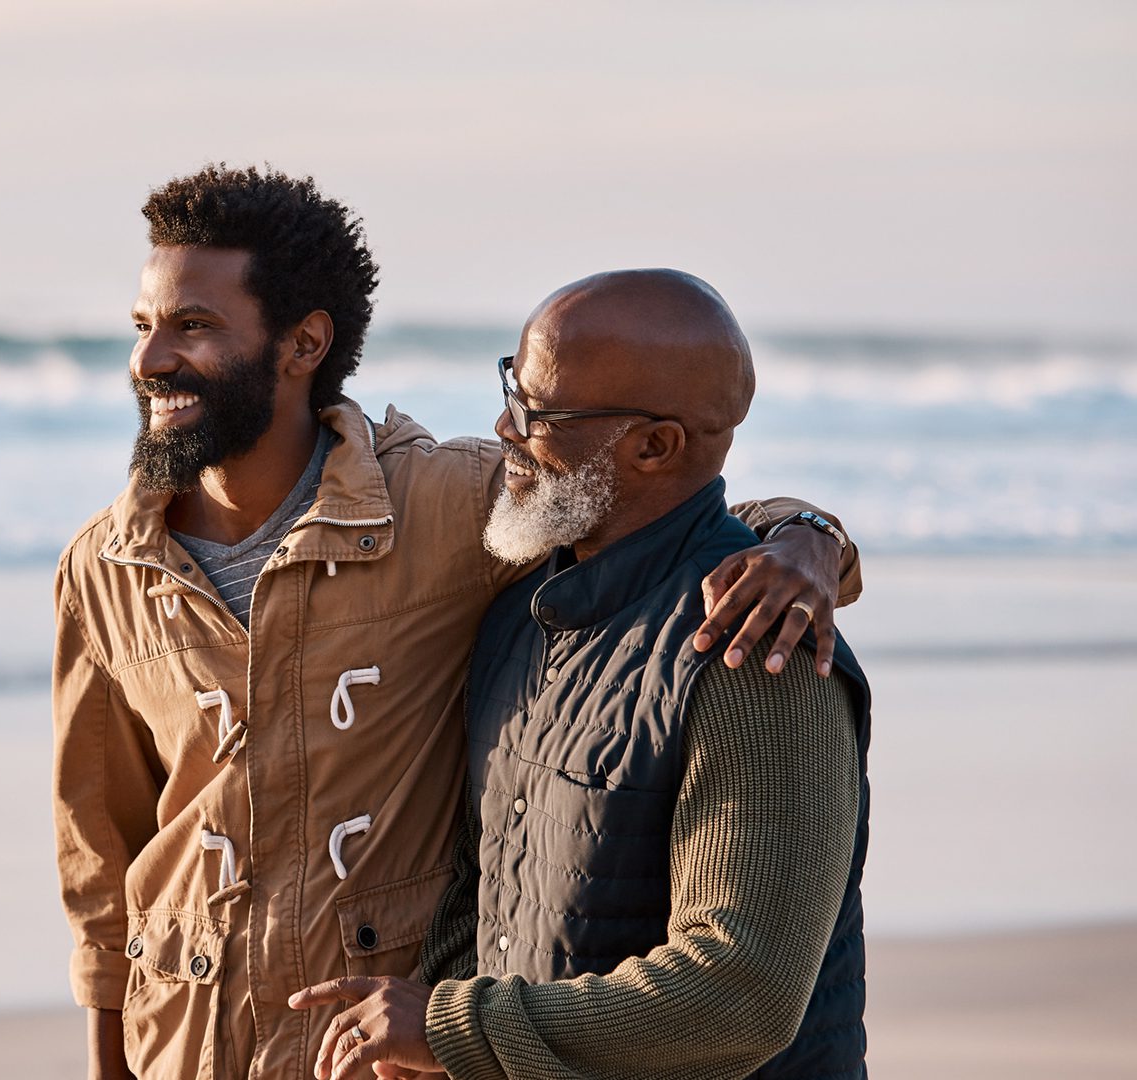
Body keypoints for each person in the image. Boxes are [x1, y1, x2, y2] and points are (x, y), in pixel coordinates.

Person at [53, 169, 862, 1080]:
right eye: (144, 326)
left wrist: (809, 538)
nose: (150, 358)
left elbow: (666, 514)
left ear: (304, 341)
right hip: (188, 1042)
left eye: (194, 325)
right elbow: (100, 853)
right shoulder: (103, 566)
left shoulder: (450, 511)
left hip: (377, 1049)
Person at [289, 269, 873, 1080]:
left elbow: (742, 994)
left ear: (655, 445)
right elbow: (485, 899)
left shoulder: (759, 651)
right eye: (510, 386)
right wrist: (427, 1037)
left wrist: (451, 1026)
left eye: (539, 412)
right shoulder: (518, 615)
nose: (504, 426)